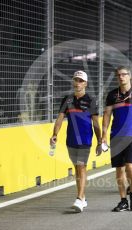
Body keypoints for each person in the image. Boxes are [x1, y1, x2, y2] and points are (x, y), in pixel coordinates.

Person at [50, 70, 102, 213]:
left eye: (80, 80)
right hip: (71, 139)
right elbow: (60, 118)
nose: (78, 83)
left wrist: (100, 141)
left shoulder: (91, 100)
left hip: (85, 139)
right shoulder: (67, 99)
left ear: (85, 83)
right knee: (77, 168)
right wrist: (55, 134)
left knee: (81, 167)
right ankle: (83, 198)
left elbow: (96, 123)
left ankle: (79, 198)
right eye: (76, 80)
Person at [102, 66, 132, 212]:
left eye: (124, 74)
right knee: (119, 170)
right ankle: (123, 201)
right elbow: (107, 116)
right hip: (116, 136)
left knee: (130, 166)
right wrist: (103, 134)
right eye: (118, 75)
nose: (121, 77)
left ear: (129, 77)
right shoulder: (111, 95)